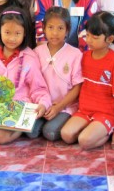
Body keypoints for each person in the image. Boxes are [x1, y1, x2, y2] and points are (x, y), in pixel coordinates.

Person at [0, 7, 52, 144]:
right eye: (7, 32)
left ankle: (22, 127)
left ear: (25, 33)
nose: (12, 38)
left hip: (17, 106)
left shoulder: (29, 58)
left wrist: (43, 103)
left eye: (17, 33)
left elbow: (38, 88)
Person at [61, 11, 114, 150]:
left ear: (110, 39)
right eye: (87, 35)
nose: (88, 40)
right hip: (84, 111)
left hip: (106, 114)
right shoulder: (84, 56)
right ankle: (94, 129)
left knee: (84, 141)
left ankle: (108, 130)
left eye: (94, 37)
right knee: (66, 135)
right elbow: (78, 86)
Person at [34, 7, 83, 141]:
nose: (55, 33)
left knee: (49, 132)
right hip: (43, 104)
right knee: (31, 132)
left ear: (67, 30)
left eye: (60, 28)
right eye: (50, 27)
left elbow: (78, 86)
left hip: (65, 106)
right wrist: (42, 105)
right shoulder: (37, 52)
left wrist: (59, 106)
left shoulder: (75, 54)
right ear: (43, 28)